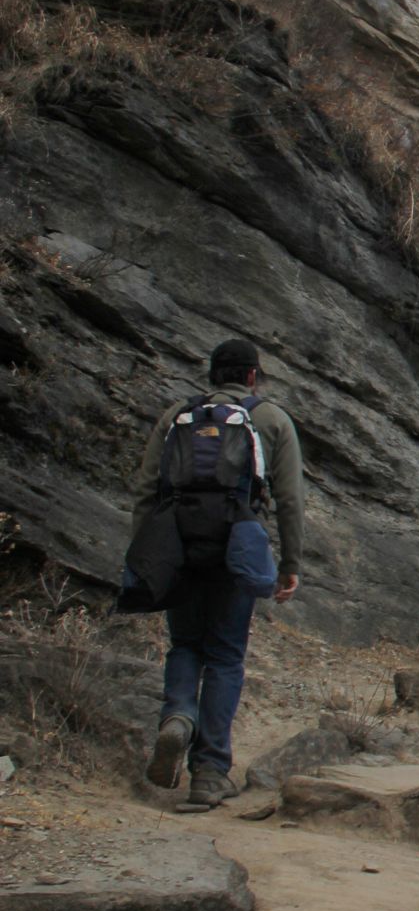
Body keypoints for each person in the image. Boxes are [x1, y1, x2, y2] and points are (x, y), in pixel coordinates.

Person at [134, 338, 305, 806]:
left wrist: (147, 554)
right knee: (226, 656)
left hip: (180, 546)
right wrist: (289, 564)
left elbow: (148, 489)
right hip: (237, 547)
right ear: (253, 375)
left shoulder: (177, 416)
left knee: (186, 643)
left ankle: (178, 717)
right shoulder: (271, 419)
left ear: (212, 375)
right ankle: (209, 771)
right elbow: (290, 500)